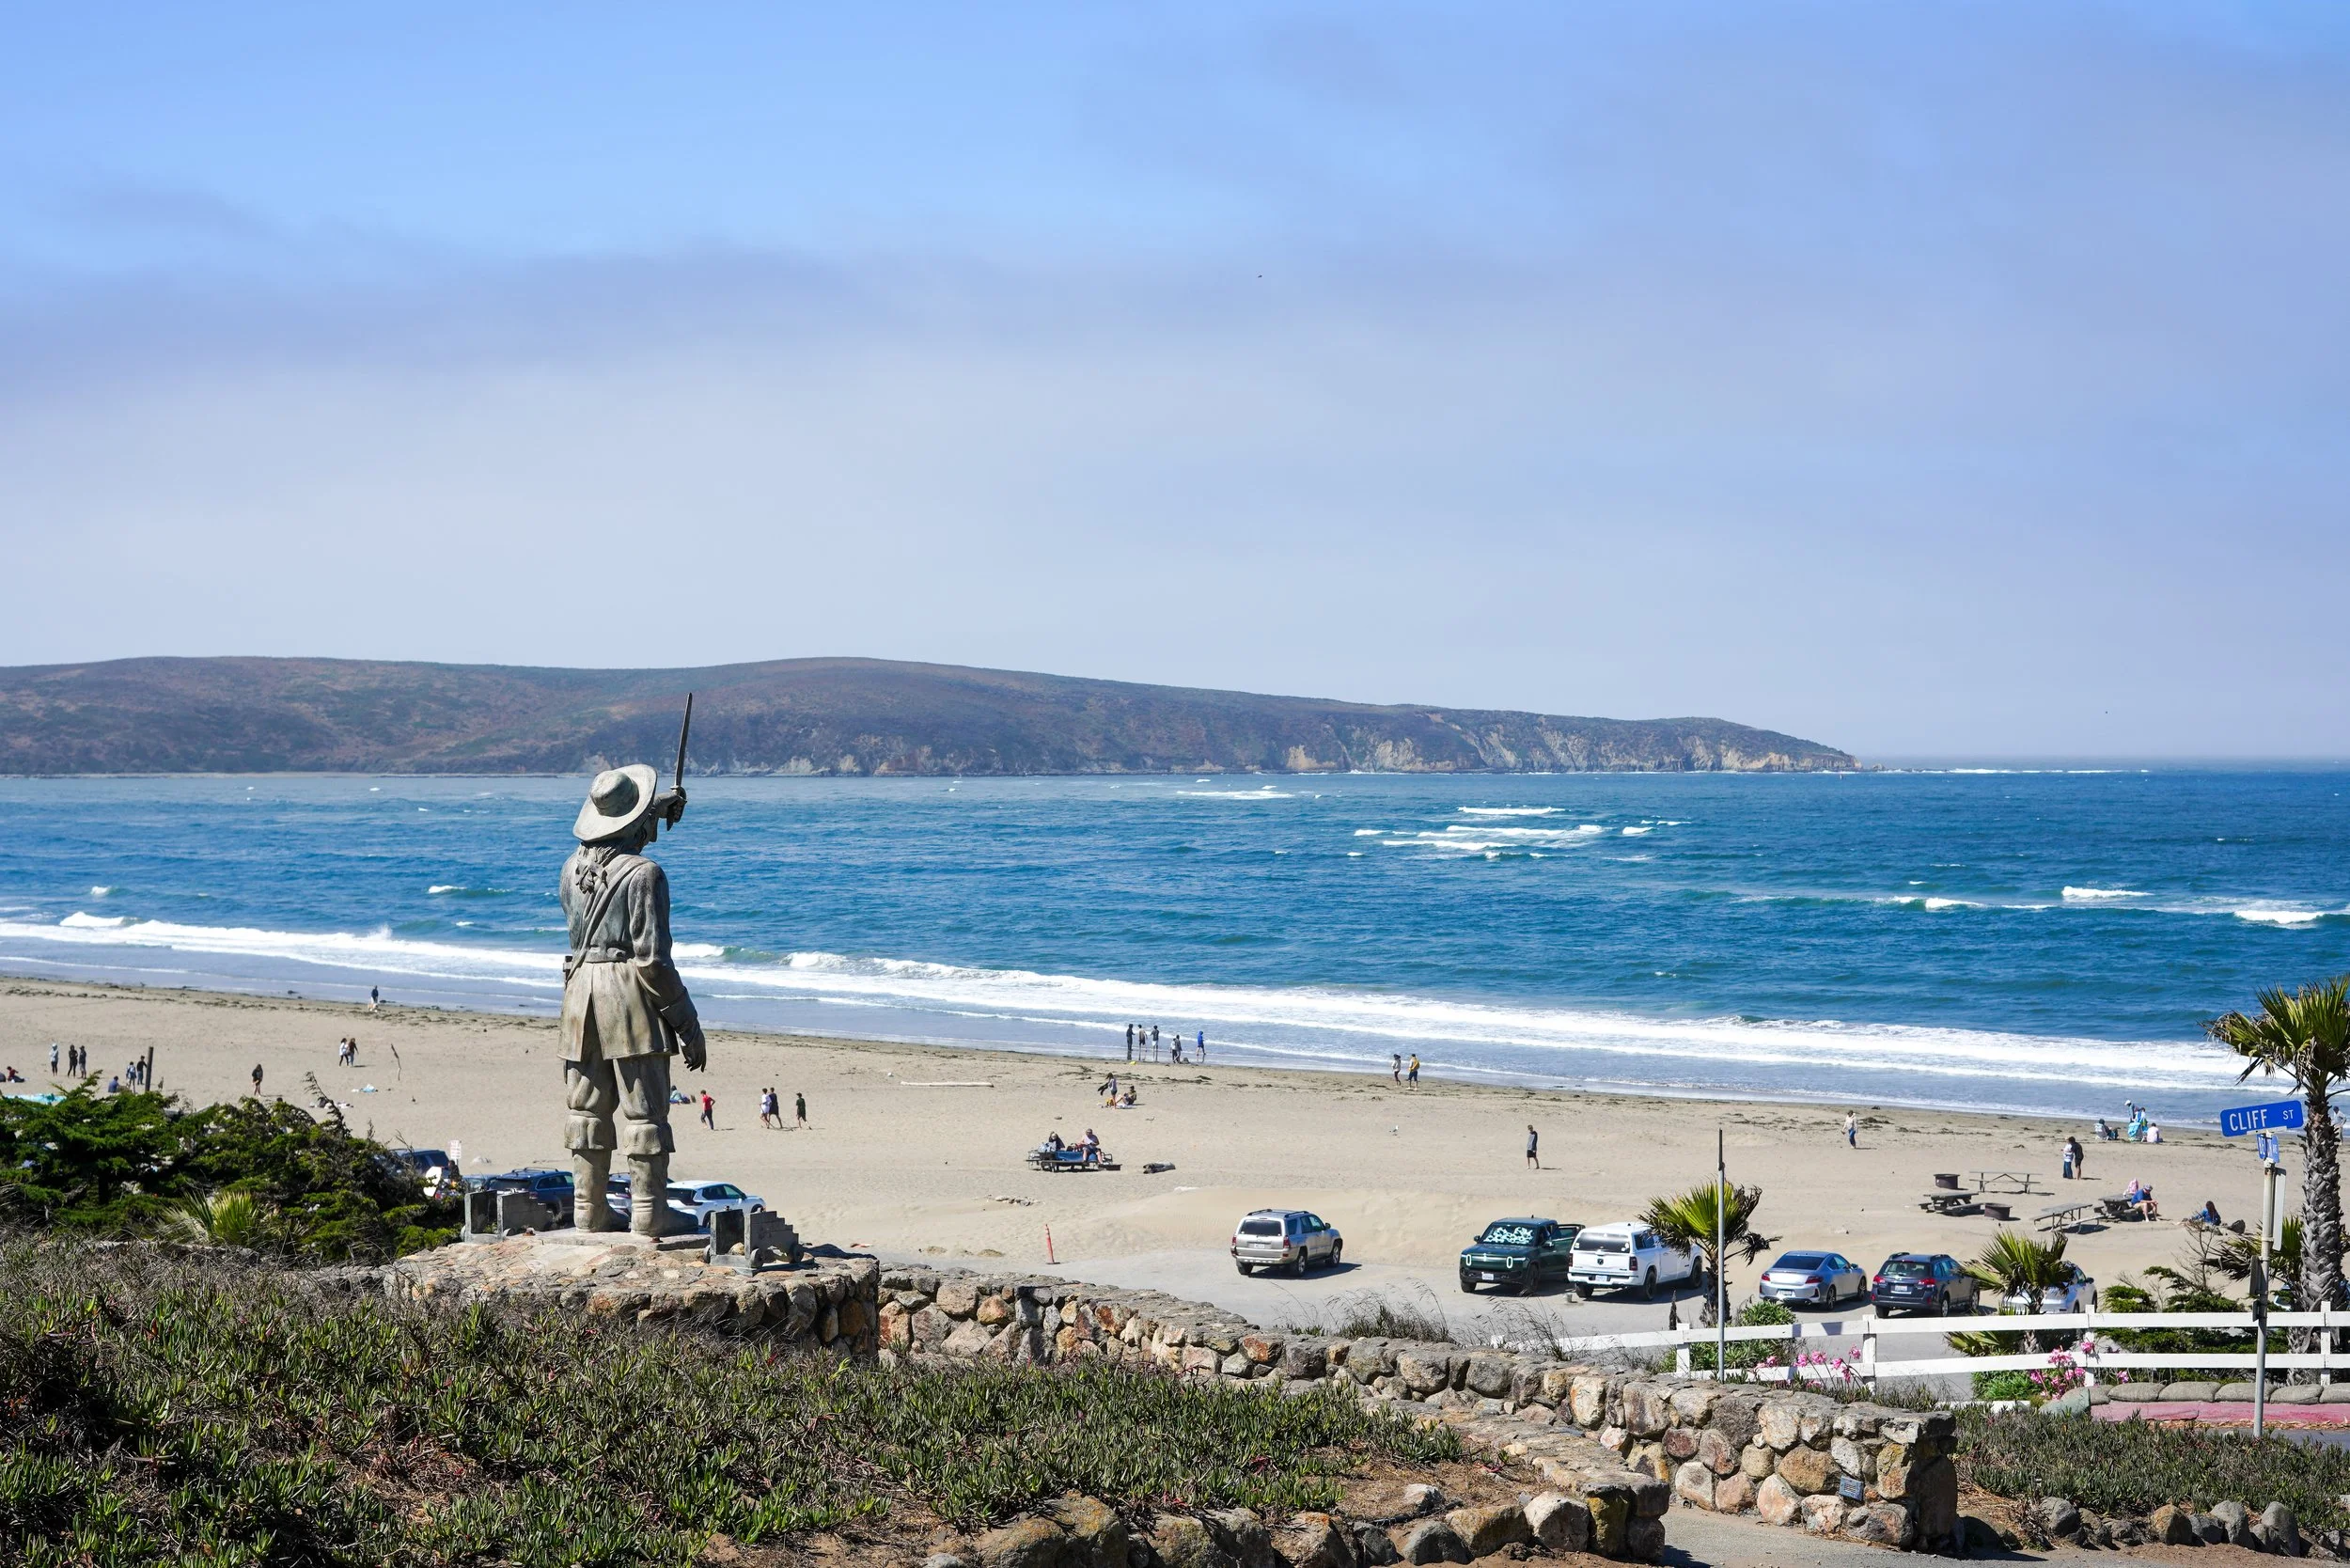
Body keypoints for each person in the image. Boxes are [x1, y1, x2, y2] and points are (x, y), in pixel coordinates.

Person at [559, 761, 707, 1234]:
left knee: (586, 1109)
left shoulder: (571, 868)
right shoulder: (646, 875)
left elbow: (608, 852)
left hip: (580, 991)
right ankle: (648, 1212)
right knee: (645, 1110)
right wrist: (687, 1022)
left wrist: (655, 812)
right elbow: (653, 962)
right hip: (626, 995)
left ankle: (589, 1210)